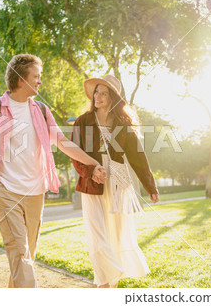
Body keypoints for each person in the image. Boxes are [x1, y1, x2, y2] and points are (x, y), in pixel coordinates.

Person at [0, 54, 106, 288]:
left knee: (26, 256)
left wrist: (92, 164)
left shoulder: (41, 111)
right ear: (20, 79)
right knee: (19, 251)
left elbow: (64, 142)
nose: (40, 82)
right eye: (36, 77)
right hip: (5, 191)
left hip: (35, 192)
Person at [71, 74, 159, 288]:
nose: (97, 96)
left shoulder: (123, 123)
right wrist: (91, 171)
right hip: (92, 184)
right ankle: (104, 283)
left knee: (117, 237)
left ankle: (113, 287)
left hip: (119, 183)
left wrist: (150, 186)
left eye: (104, 93)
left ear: (113, 98)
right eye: (96, 92)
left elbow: (138, 156)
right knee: (98, 237)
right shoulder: (82, 121)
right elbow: (75, 154)